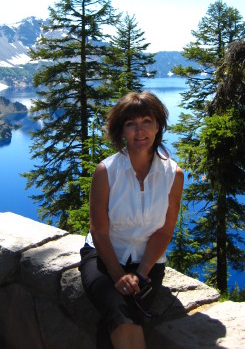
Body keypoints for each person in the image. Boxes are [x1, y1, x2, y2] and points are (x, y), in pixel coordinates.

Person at [79, 91, 184, 349]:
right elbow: (99, 231)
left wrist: (140, 273)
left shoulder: (173, 174)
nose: (140, 131)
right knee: (120, 309)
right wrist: (118, 275)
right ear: (121, 131)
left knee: (125, 312)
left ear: (158, 125)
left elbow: (164, 231)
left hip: (147, 262)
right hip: (103, 257)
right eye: (131, 124)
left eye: (147, 121)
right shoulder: (106, 172)